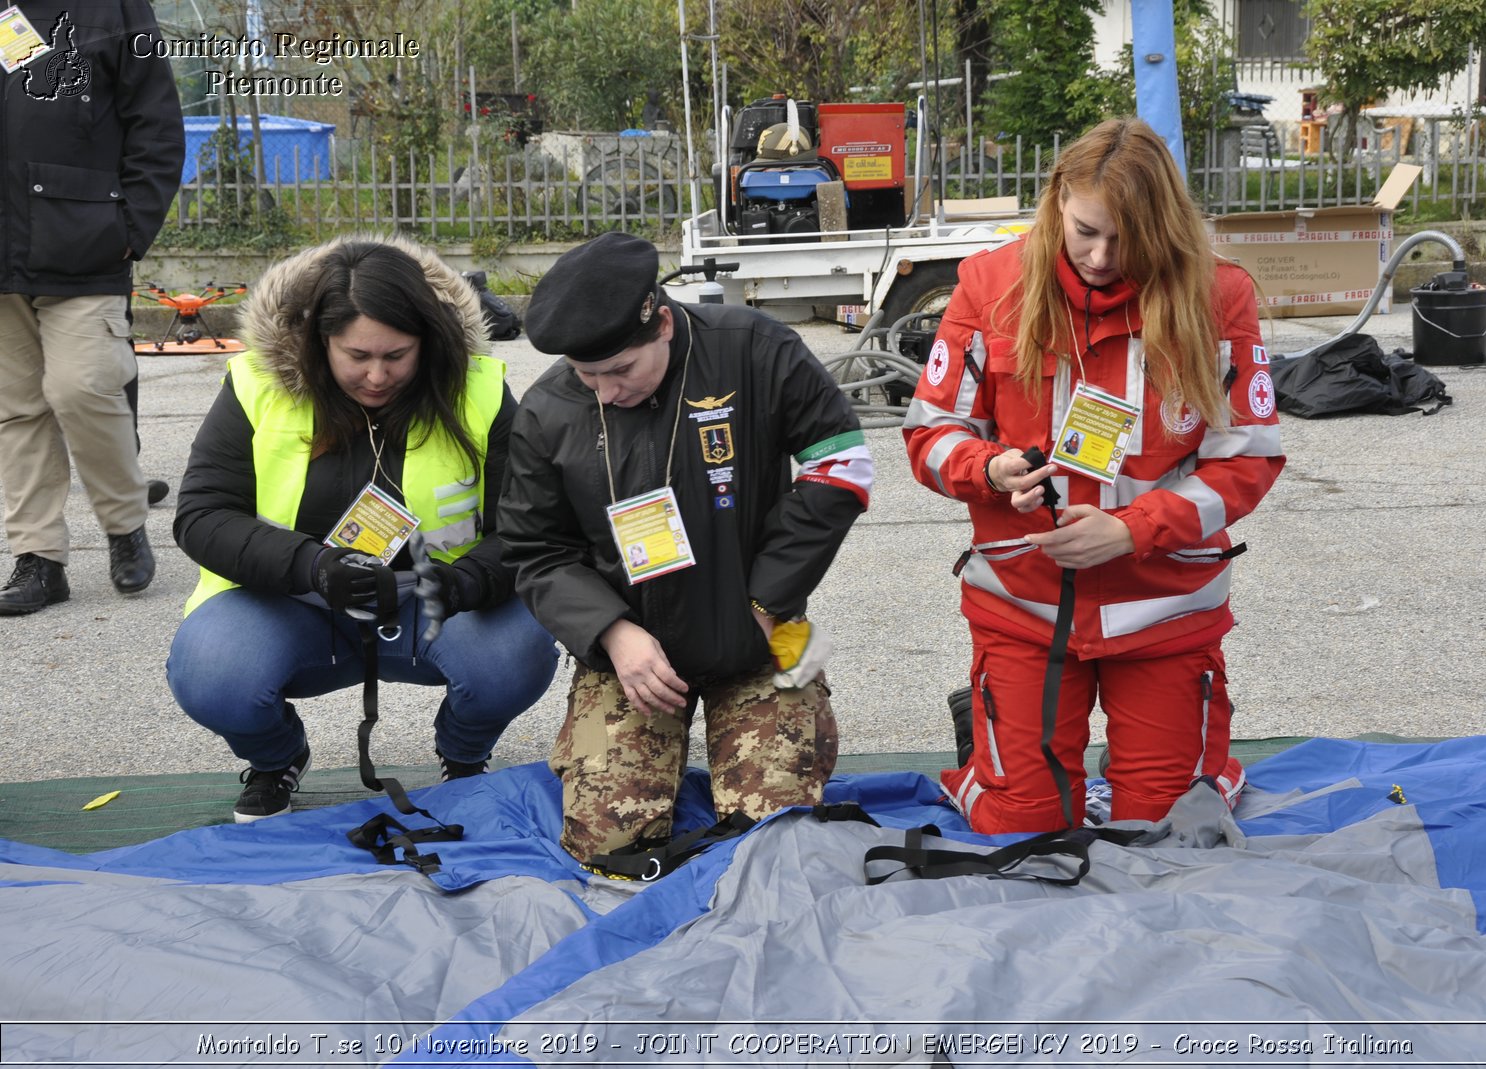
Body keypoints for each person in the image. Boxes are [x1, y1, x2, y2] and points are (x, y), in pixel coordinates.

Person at [904, 118, 1285, 834]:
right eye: (1085, 231)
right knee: (1024, 826)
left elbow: (1249, 458)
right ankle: (988, 752)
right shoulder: (988, 284)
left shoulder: (1219, 294)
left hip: (1165, 609)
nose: (1103, 256)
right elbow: (928, 432)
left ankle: (1198, 765)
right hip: (1025, 606)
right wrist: (986, 469)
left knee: (1167, 829)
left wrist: (1133, 529)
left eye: (1125, 239)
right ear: (1056, 200)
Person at [499, 231, 872, 868]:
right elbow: (535, 550)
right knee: (605, 845)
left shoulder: (754, 346)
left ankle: (806, 712)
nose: (606, 392)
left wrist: (771, 595)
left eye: (621, 370)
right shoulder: (548, 408)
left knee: (777, 840)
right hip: (629, 651)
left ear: (663, 323)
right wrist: (612, 633)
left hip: (770, 627)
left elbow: (841, 467)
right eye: (587, 375)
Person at [166, 236, 559, 823]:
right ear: (318, 341)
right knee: (212, 674)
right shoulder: (255, 384)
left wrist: (463, 584)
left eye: (397, 355)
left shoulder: (478, 388)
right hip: (291, 598)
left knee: (517, 652)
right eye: (356, 356)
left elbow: (532, 528)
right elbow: (202, 516)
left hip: (436, 603)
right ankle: (277, 760)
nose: (376, 376)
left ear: (430, 340)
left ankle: (463, 754)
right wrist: (312, 567)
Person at [0, 0, 183, 614]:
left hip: (85, 241)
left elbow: (156, 123)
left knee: (85, 388)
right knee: (18, 409)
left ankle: (125, 524)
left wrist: (130, 227)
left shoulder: (118, 7)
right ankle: (39, 559)